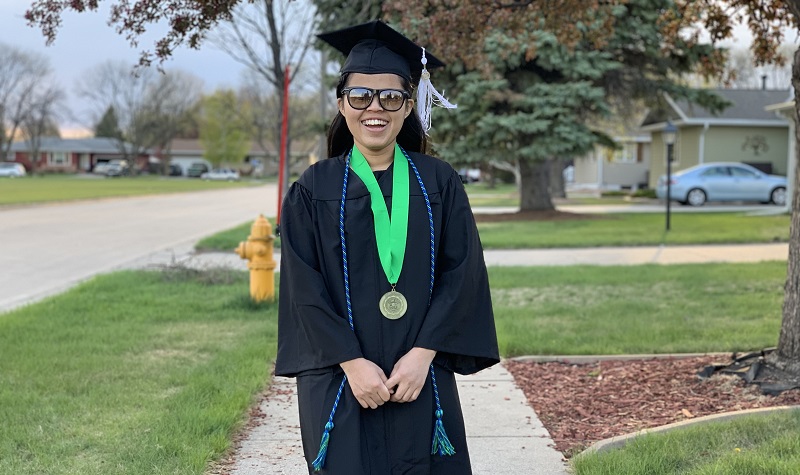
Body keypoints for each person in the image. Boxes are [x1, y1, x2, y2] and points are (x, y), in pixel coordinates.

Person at [275, 20, 499, 475]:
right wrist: (352, 364)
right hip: (341, 378)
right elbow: (304, 288)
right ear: (342, 103)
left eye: (390, 97)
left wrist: (423, 355)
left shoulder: (439, 182)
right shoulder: (313, 189)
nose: (374, 108)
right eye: (360, 96)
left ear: (409, 105)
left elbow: (462, 274)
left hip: (418, 376)